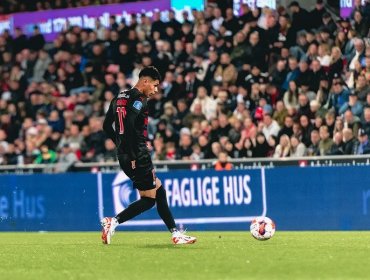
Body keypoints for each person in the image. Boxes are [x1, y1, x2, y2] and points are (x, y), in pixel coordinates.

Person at [102, 66, 196, 245]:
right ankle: (112, 221)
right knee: (148, 200)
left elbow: (107, 126)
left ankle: (175, 233)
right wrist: (133, 152)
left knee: (159, 191)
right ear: (145, 81)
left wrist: (121, 146)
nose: (156, 90)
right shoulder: (140, 99)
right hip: (137, 154)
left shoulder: (118, 97)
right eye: (154, 85)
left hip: (125, 154)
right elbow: (129, 125)